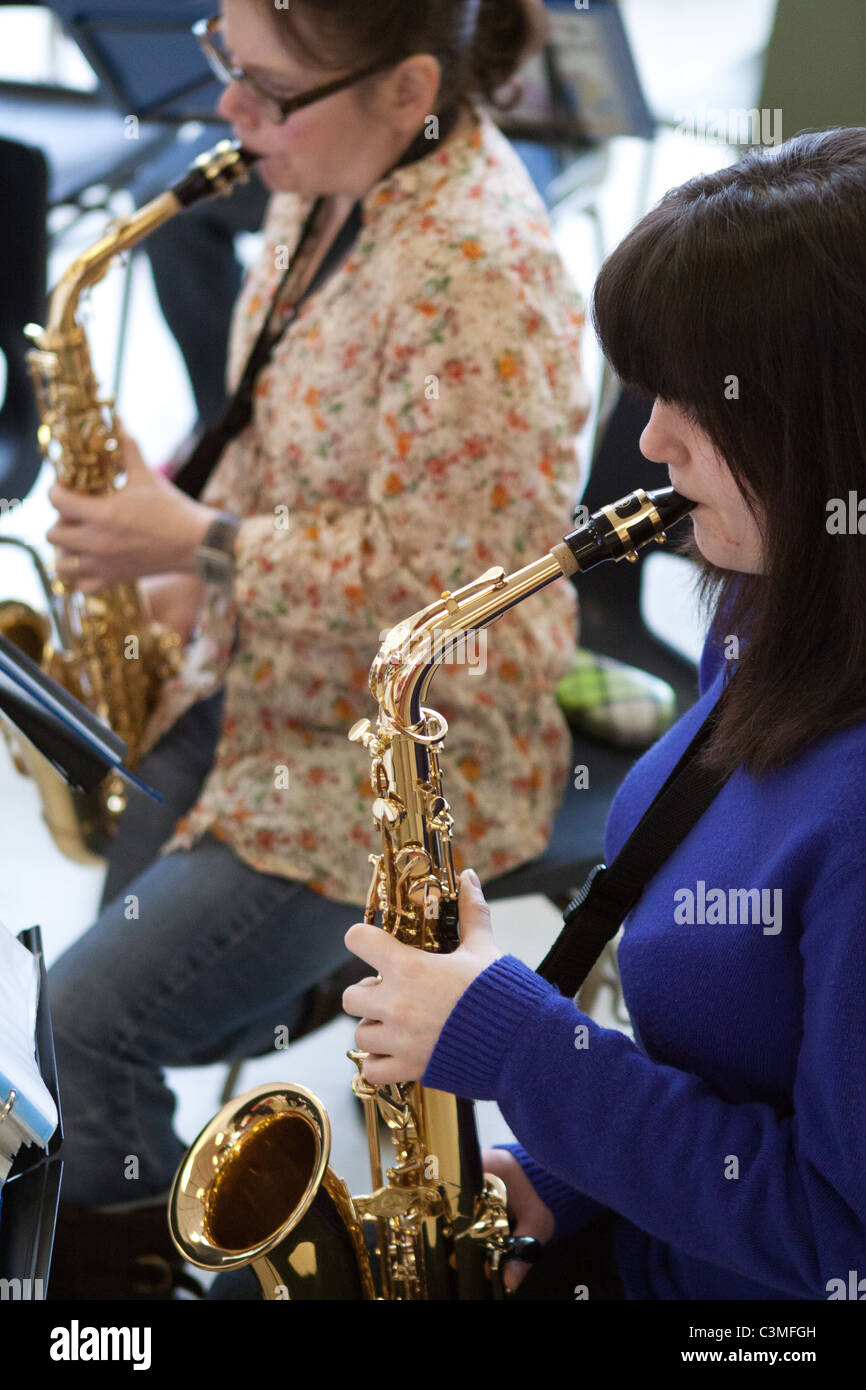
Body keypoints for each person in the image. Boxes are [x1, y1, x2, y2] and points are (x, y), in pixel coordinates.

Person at [43, 0, 590, 1298]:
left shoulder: (482, 275)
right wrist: (176, 536)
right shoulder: (324, 169)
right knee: (96, 991)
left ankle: (134, 1286)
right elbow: (282, 410)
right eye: (225, 58)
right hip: (259, 680)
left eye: (268, 88)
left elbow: (455, 585)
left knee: (87, 1017)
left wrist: (207, 541)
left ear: (408, 89)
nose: (227, 109)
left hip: (400, 747)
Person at [343, 127, 866, 1301]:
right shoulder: (779, 602)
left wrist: (522, 1045)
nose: (647, 442)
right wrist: (568, 1175)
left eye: (698, 402)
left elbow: (843, 1248)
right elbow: (749, 1078)